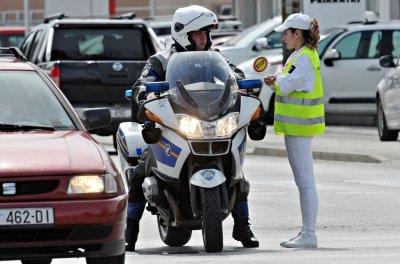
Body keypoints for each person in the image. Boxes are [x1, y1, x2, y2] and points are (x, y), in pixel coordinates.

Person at [125, 5, 259, 251]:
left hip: (212, 123)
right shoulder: (160, 60)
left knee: (237, 175)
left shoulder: (215, 57)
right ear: (182, 33)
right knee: (139, 172)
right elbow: (141, 83)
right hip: (174, 126)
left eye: (206, 33)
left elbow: (235, 76)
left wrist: (244, 87)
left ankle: (243, 226)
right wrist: (143, 92)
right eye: (199, 33)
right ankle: (129, 230)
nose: (204, 39)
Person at [263, 13, 324, 248]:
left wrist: (274, 80)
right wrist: (278, 78)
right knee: (304, 182)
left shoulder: (305, 58)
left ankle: (309, 234)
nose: (284, 38)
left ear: (297, 33)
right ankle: (306, 232)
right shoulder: (301, 55)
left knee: (306, 182)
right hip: (297, 127)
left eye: (286, 33)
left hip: (299, 128)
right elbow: (285, 79)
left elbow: (284, 85)